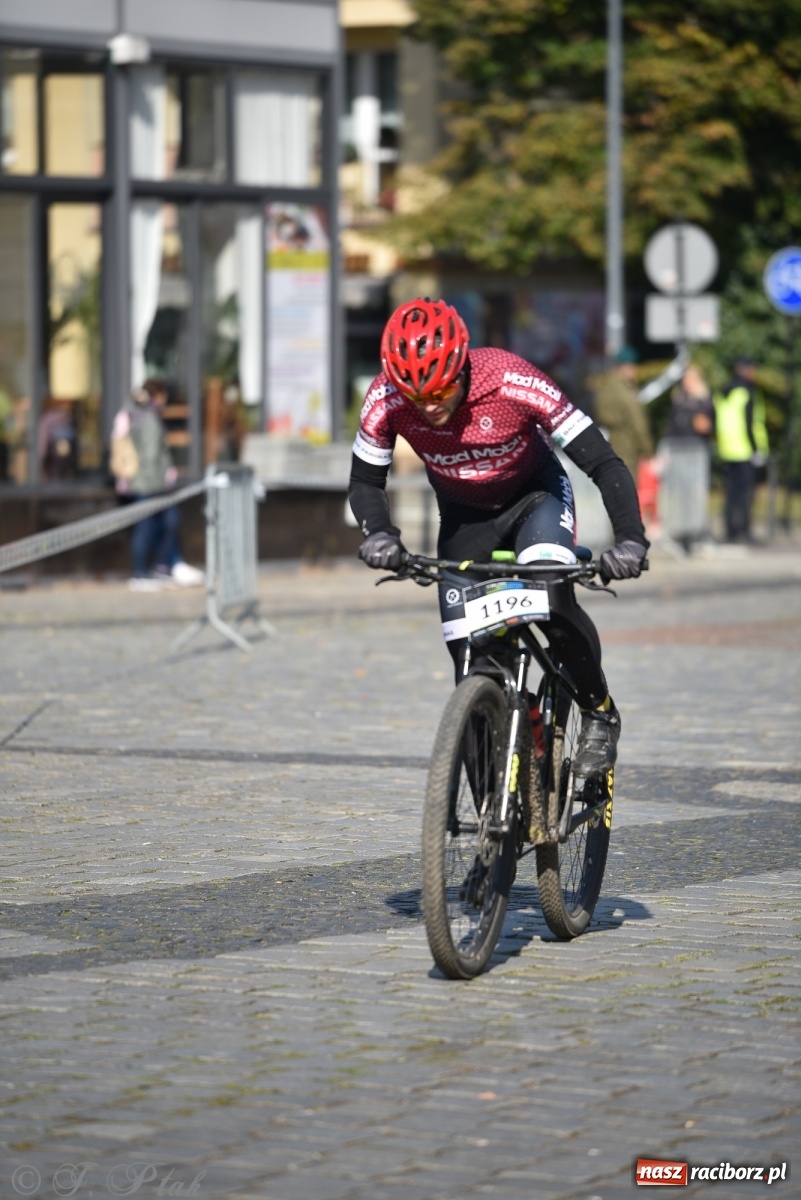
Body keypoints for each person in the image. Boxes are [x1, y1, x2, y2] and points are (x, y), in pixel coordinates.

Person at [348, 298, 649, 780]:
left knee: (549, 594)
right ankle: (493, 824)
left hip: (536, 498)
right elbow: (366, 482)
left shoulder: (511, 379)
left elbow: (603, 462)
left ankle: (598, 711)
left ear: (462, 366)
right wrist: (380, 534)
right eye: (415, 396)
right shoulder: (385, 399)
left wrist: (631, 539)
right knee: (468, 654)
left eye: (441, 391)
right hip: (466, 518)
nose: (429, 407)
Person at [111, 379, 204, 590]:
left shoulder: (132, 411)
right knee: (147, 528)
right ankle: (141, 573)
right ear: (157, 396)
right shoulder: (149, 417)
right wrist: (162, 480)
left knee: (163, 524)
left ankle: (163, 567)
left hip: (141, 482)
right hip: (149, 483)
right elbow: (152, 455)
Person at [713, 357, 769, 544]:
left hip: (727, 449)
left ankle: (730, 531)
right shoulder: (747, 391)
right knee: (746, 494)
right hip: (745, 449)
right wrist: (756, 449)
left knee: (731, 494)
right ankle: (744, 530)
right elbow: (749, 423)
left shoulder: (723, 392)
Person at [593, 346, 654, 481]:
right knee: (629, 489)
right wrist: (648, 450)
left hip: (611, 445)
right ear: (626, 366)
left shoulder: (607, 386)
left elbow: (600, 413)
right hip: (627, 447)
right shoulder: (625, 390)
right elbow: (638, 421)